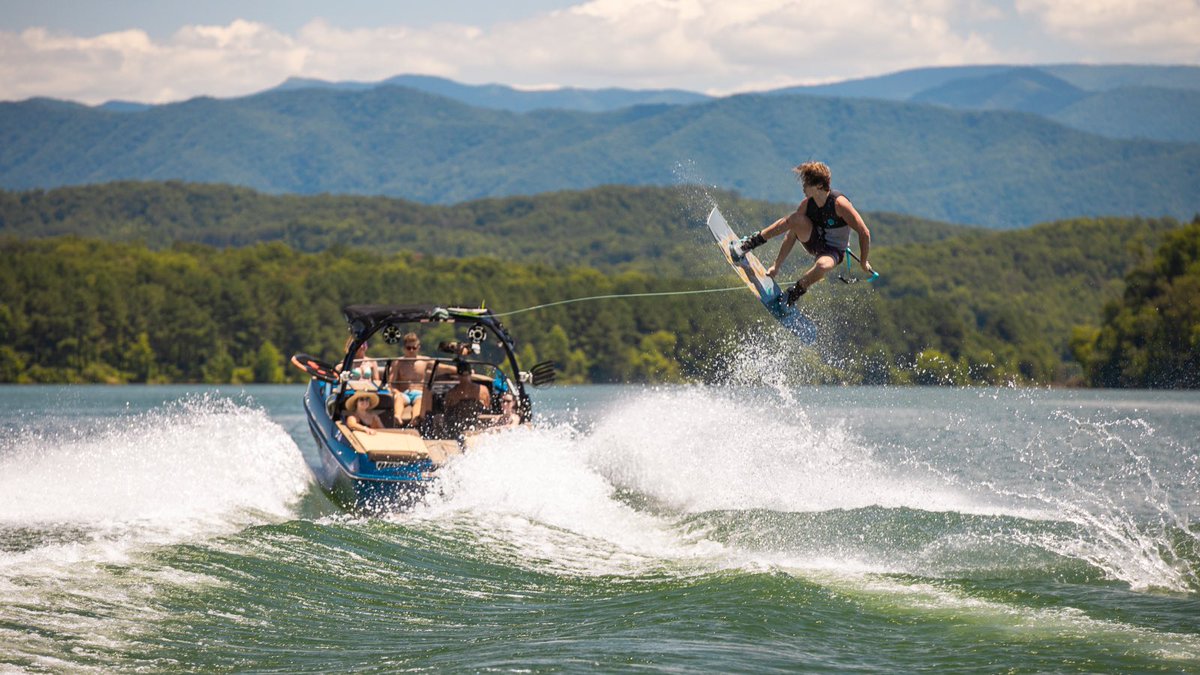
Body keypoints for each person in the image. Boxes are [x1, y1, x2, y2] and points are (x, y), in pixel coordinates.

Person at [729, 161, 874, 305]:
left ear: (819, 186)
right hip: (814, 241)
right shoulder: (807, 204)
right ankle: (749, 243)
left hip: (833, 251)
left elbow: (864, 233)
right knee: (795, 219)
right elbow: (791, 235)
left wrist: (863, 262)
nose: (803, 187)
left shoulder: (839, 204)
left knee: (822, 266)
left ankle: (793, 293)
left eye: (806, 183)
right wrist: (776, 266)